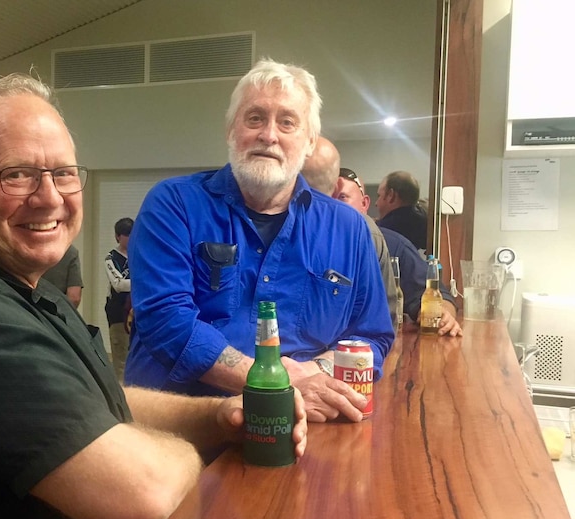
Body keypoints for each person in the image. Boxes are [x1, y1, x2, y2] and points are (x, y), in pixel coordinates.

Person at [0, 73, 307, 519]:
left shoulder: (30, 290)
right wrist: (187, 452)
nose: (50, 197)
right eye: (17, 174)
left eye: (64, 173)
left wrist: (218, 418)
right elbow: (144, 493)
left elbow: (98, 399)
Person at [125, 58, 394, 423]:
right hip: (184, 428)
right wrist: (277, 383)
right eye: (255, 118)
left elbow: (370, 336)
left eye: (287, 122)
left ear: (310, 141)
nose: (269, 134)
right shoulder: (173, 206)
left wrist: (313, 374)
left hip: (308, 427)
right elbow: (165, 321)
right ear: (230, 130)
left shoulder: (349, 229)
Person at [332, 168, 463, 336]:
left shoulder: (392, 245)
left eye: (342, 197)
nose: (332, 205)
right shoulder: (300, 243)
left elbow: (435, 295)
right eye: (325, 198)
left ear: (364, 204)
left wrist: (443, 315)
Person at [302, 137, 399, 331]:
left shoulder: (369, 235)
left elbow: (381, 323)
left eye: (342, 198)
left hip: (348, 355)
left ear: (365, 204)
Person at [105, 217, 133, 382]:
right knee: (121, 357)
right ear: (118, 236)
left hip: (137, 311)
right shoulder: (111, 258)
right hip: (118, 312)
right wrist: (142, 282)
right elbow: (118, 284)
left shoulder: (140, 255)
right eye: (126, 234)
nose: (130, 238)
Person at [375, 170, 428, 251]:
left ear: (391, 195)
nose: (376, 203)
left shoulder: (380, 232)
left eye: (379, 196)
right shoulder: (425, 223)